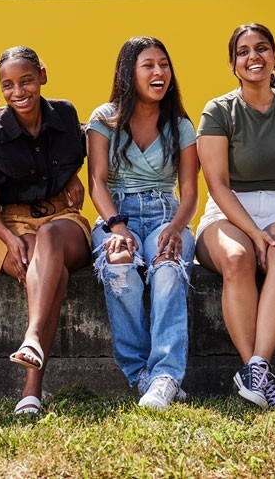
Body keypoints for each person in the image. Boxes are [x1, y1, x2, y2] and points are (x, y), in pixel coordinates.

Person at [0, 46, 90, 415]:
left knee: (49, 241)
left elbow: (66, 153)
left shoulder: (64, 114)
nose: (18, 92)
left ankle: (31, 339)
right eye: (8, 85)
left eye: (26, 81)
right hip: (12, 222)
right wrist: (9, 240)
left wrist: (72, 175)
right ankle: (32, 391)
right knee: (49, 270)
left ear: (42, 75)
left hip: (63, 218)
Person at [195, 23, 275, 409]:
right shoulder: (218, 109)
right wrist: (253, 233)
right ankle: (257, 373)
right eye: (243, 51)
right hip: (229, 209)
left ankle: (257, 370)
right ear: (233, 64)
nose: (253, 57)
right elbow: (217, 185)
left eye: (261, 48)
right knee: (238, 257)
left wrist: (270, 235)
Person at [87, 37, 199, 410]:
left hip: (167, 213)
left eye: (164, 64)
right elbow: (96, 183)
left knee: (167, 268)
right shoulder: (103, 119)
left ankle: (166, 375)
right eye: (148, 65)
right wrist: (116, 227)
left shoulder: (180, 125)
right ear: (128, 73)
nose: (159, 72)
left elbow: (190, 193)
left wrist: (175, 228)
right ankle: (140, 375)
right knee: (119, 265)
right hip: (116, 213)